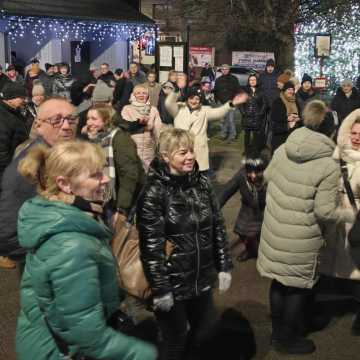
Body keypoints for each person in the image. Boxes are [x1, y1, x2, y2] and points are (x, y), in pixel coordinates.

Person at [15, 140, 157, 360]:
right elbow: (88, 336)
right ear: (65, 184)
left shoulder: (60, 216)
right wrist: (144, 354)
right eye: (95, 175)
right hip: (56, 352)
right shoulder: (72, 245)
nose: (106, 178)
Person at [257, 100, 353, 355]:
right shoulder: (327, 165)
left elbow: (266, 178)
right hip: (303, 235)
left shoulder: (285, 147)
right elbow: (324, 211)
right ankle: (285, 337)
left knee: (279, 281)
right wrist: (348, 213)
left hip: (275, 229)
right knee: (298, 286)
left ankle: (287, 327)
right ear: (329, 131)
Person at [137, 127, 233, 360]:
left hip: (201, 277)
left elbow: (217, 226)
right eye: (182, 153)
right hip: (173, 283)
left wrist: (223, 266)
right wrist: (161, 289)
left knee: (205, 329)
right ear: (165, 157)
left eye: (191, 151)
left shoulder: (201, 183)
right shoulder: (154, 192)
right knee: (176, 337)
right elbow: (151, 246)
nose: (190, 156)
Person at [0, 98, 77, 271]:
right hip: (48, 262)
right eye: (56, 120)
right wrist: (38, 255)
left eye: (71, 119)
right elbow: (9, 229)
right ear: (39, 125)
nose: (66, 126)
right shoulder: (29, 166)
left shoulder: (63, 152)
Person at [319, 108, 360, 335]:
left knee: (355, 268)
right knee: (329, 264)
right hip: (334, 218)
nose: (357, 137)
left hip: (355, 221)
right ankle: (327, 310)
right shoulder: (337, 154)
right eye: (353, 132)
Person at [81, 104, 145, 219]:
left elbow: (129, 174)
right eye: (88, 119)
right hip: (104, 198)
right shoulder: (95, 139)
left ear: (106, 120)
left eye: (94, 119)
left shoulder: (120, 139)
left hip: (121, 200)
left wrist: (122, 208)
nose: (89, 123)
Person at [165, 86, 248, 173]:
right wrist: (177, 89)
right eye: (191, 98)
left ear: (200, 100)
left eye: (197, 99)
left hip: (198, 149)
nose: (194, 101)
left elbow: (219, 112)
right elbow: (168, 103)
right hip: (180, 147)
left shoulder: (204, 111)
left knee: (201, 175)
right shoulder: (178, 108)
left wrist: (232, 104)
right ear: (187, 98)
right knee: (180, 173)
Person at [219, 154, 267, 262]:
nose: (253, 176)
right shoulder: (241, 176)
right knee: (242, 231)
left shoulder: (269, 177)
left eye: (257, 172)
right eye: (250, 172)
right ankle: (251, 251)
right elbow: (226, 192)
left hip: (265, 209)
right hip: (248, 208)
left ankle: (264, 253)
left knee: (263, 235)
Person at [121, 84, 162, 171]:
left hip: (149, 150)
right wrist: (140, 124)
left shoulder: (153, 109)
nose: (141, 95)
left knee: (148, 175)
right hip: (132, 149)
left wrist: (159, 147)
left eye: (144, 93)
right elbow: (125, 127)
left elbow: (158, 130)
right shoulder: (127, 109)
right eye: (138, 93)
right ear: (133, 95)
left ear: (147, 96)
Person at [0, 82, 28, 186]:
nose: (24, 100)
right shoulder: (3, 117)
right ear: (10, 98)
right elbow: (2, 151)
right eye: (21, 97)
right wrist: (9, 172)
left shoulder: (13, 112)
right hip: (7, 171)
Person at [270, 81, 300, 153]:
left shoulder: (295, 101)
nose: (291, 91)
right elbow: (274, 116)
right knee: (279, 153)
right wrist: (287, 118)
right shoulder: (278, 101)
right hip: (280, 132)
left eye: (292, 89)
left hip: (293, 133)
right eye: (288, 89)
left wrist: (298, 118)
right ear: (284, 90)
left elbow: (300, 113)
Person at [241, 74, 267, 155]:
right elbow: (240, 103)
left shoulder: (261, 91)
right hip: (247, 117)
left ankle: (256, 150)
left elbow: (265, 103)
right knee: (247, 135)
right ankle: (246, 150)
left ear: (257, 81)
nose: (252, 81)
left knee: (256, 135)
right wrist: (244, 113)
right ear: (248, 81)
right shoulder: (244, 91)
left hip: (257, 117)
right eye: (251, 80)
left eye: (254, 80)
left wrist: (261, 113)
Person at [214, 64, 241, 141]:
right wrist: (217, 100)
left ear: (229, 70)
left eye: (226, 69)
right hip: (221, 103)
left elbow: (238, 90)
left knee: (231, 119)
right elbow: (216, 90)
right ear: (221, 70)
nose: (224, 70)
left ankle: (233, 135)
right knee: (222, 120)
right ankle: (223, 134)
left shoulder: (234, 79)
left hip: (231, 102)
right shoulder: (218, 79)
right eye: (223, 69)